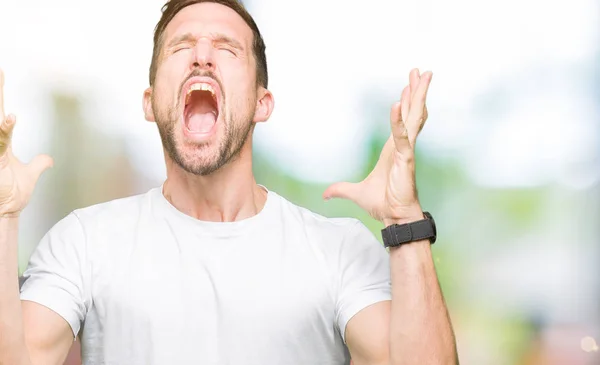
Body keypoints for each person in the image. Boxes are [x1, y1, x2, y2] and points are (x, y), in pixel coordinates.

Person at [0, 0, 458, 364]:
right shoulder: (84, 241)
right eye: (181, 47)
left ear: (263, 102)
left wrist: (405, 221)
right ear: (149, 101)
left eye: (226, 48)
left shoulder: (338, 251)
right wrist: (2, 215)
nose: (202, 56)